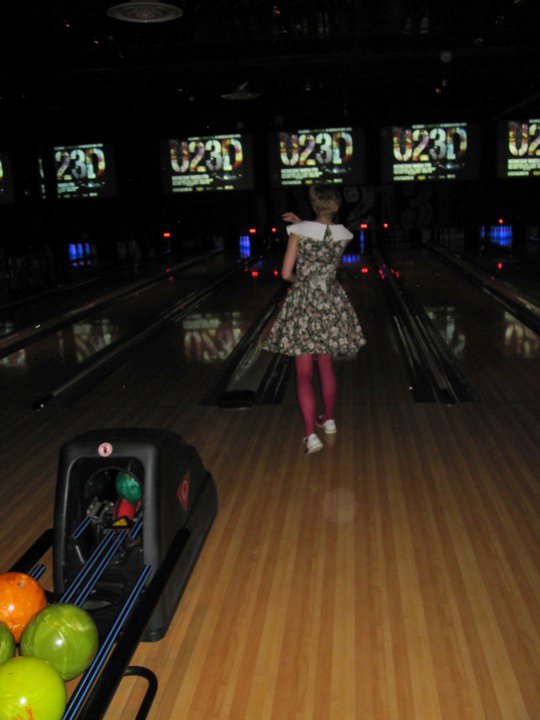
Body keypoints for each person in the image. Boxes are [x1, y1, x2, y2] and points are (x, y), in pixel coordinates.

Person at [263, 183, 366, 455]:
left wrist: (303, 282)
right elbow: (324, 234)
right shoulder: (345, 234)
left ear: (313, 204)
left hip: (304, 304)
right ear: (336, 205)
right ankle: (328, 419)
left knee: (304, 373)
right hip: (331, 301)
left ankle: (311, 436)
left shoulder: (298, 231)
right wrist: (305, 225)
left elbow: (286, 274)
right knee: (326, 366)